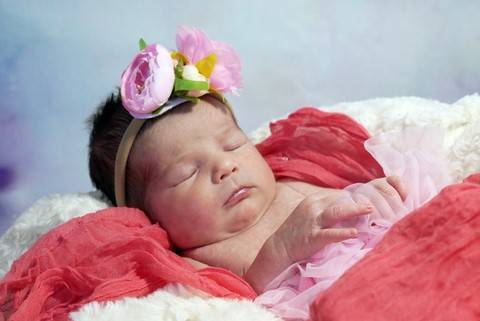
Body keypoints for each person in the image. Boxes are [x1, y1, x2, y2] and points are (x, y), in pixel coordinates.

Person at [87, 26, 451, 320]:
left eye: (232, 145)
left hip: (407, 253)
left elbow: (354, 194)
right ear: (147, 214)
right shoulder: (199, 256)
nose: (225, 166)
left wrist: (375, 195)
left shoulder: (290, 179)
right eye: (187, 173)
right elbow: (236, 296)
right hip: (357, 300)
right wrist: (280, 247)